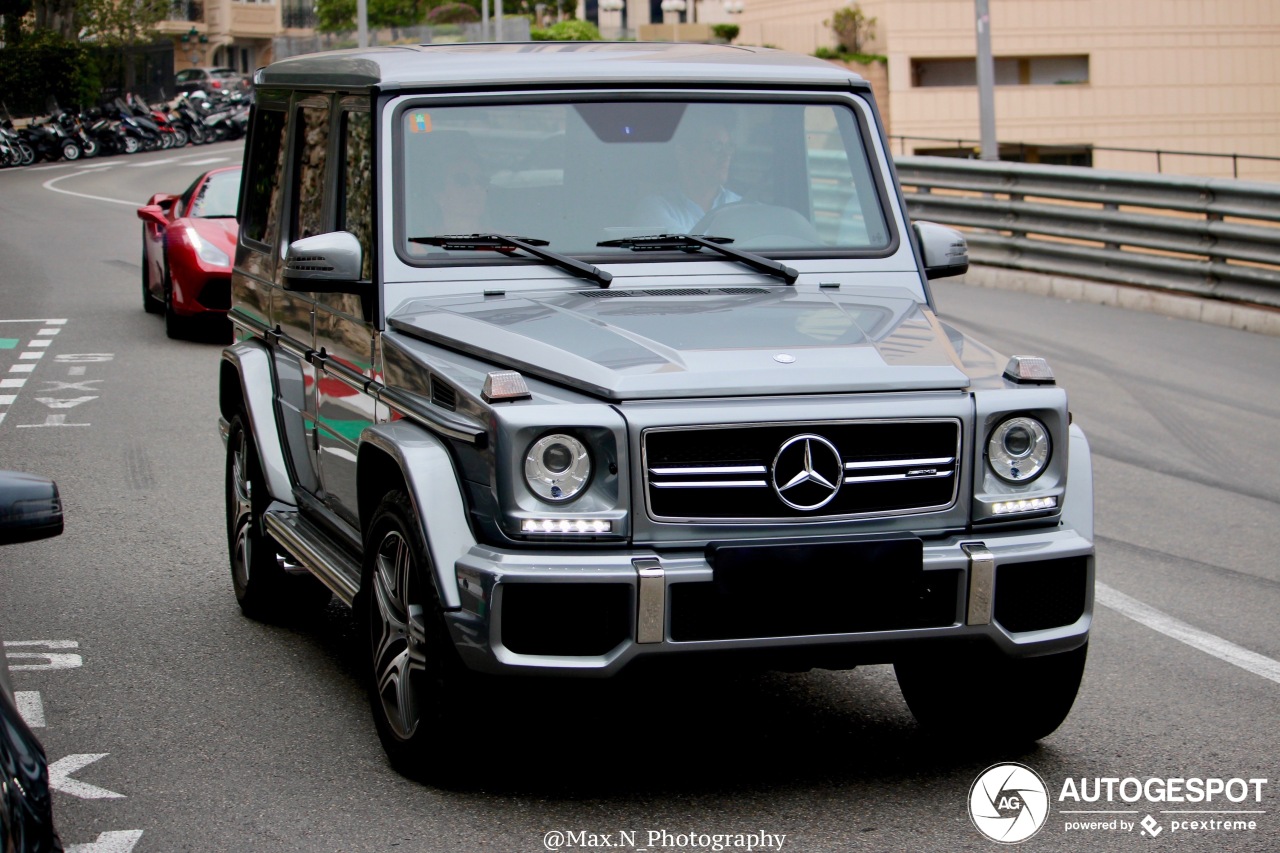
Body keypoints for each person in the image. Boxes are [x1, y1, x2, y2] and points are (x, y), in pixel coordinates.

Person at [631, 109, 741, 234]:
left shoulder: (742, 207)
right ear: (682, 153)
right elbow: (696, 251)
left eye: (729, 147)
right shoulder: (654, 209)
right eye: (716, 146)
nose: (726, 155)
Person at [407, 130, 490, 239]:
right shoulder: (416, 245)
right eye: (462, 181)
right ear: (438, 195)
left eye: (481, 181)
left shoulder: (508, 245)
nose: (476, 188)